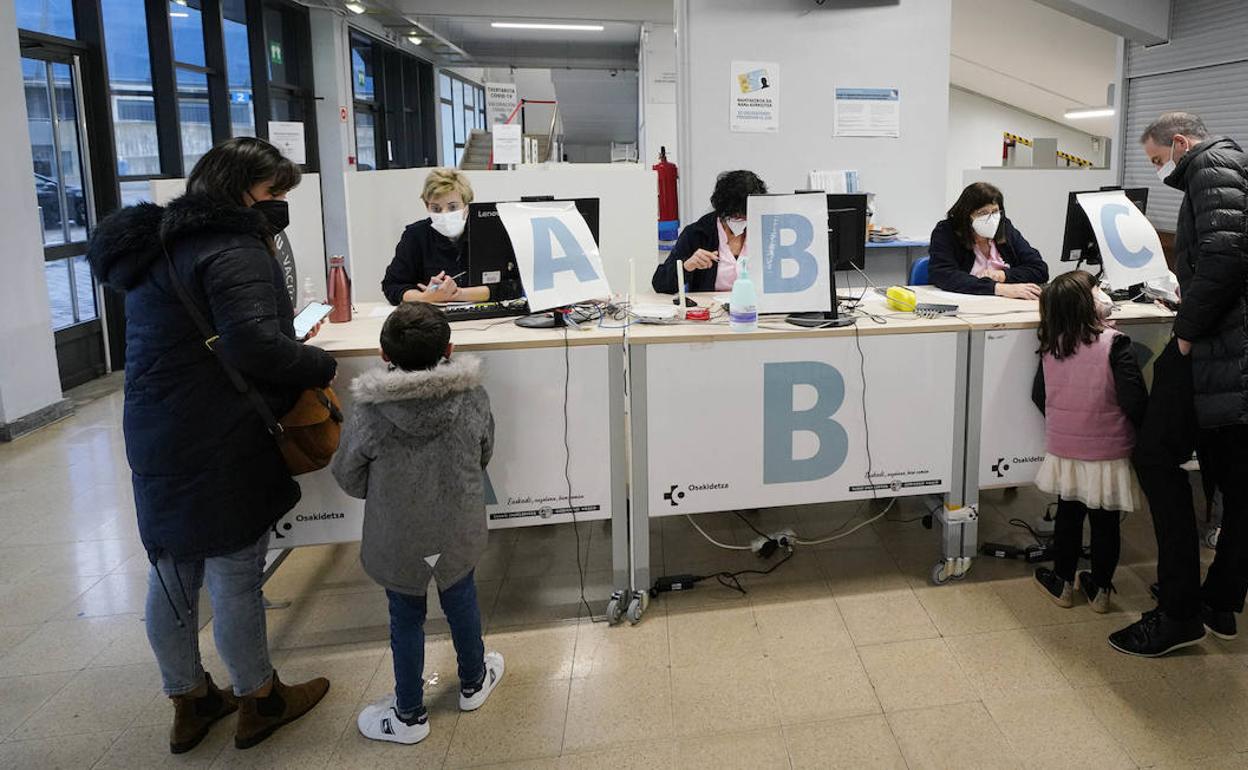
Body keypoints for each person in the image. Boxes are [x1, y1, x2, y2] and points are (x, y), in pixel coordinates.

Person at [86, 137, 336, 753]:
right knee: (234, 568)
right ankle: (261, 698)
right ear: (237, 188)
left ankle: (190, 700)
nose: (280, 206)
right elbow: (254, 346)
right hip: (221, 431)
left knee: (171, 572)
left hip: (155, 429)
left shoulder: (155, 248)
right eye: (274, 192)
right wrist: (317, 364)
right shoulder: (233, 246)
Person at [331, 302, 504, 745]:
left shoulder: (370, 411)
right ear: (449, 348)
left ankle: (408, 714)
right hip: (458, 525)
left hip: (398, 534)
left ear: (384, 355)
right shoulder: (472, 396)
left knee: (404, 616)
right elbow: (484, 451)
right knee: (462, 599)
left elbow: (348, 474)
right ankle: (472, 681)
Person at [1109, 112, 1248, 657]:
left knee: (1155, 458)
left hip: (1215, 348)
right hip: (1228, 350)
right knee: (1235, 485)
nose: (1158, 170)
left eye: (1157, 160)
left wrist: (1185, 334)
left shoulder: (1212, 165)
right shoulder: (1223, 168)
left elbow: (1225, 257)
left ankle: (1179, 613)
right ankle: (1218, 603)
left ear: (1182, 143)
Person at [1030, 271, 1147, 612]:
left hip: (1066, 450)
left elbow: (1040, 395)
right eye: (1096, 289)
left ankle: (1062, 581)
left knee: (1068, 515)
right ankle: (1100, 590)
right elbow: (1134, 399)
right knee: (1105, 521)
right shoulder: (1115, 343)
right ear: (1086, 302)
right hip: (1108, 449)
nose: (1103, 294)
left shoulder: (1052, 345)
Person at [381, 168, 520, 306]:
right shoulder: (415, 236)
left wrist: (459, 294)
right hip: (431, 318)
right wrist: (424, 297)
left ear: (466, 205)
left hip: (486, 318)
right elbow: (392, 286)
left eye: (453, 207)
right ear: (426, 206)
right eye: (436, 208)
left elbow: (516, 285)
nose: (444, 214)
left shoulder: (491, 234)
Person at [652, 169, 767, 294]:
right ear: (723, 209)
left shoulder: (767, 233)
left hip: (757, 306)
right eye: (735, 215)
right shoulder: (696, 234)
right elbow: (660, 283)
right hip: (711, 308)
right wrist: (687, 266)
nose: (741, 220)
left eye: (746, 215)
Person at [929, 182, 1048, 298]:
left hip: (1007, 303)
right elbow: (943, 274)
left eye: (995, 211)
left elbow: (1039, 269)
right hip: (968, 303)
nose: (991, 219)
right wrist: (998, 288)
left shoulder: (1005, 227)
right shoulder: (946, 231)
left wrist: (1002, 276)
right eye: (983, 213)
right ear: (966, 214)